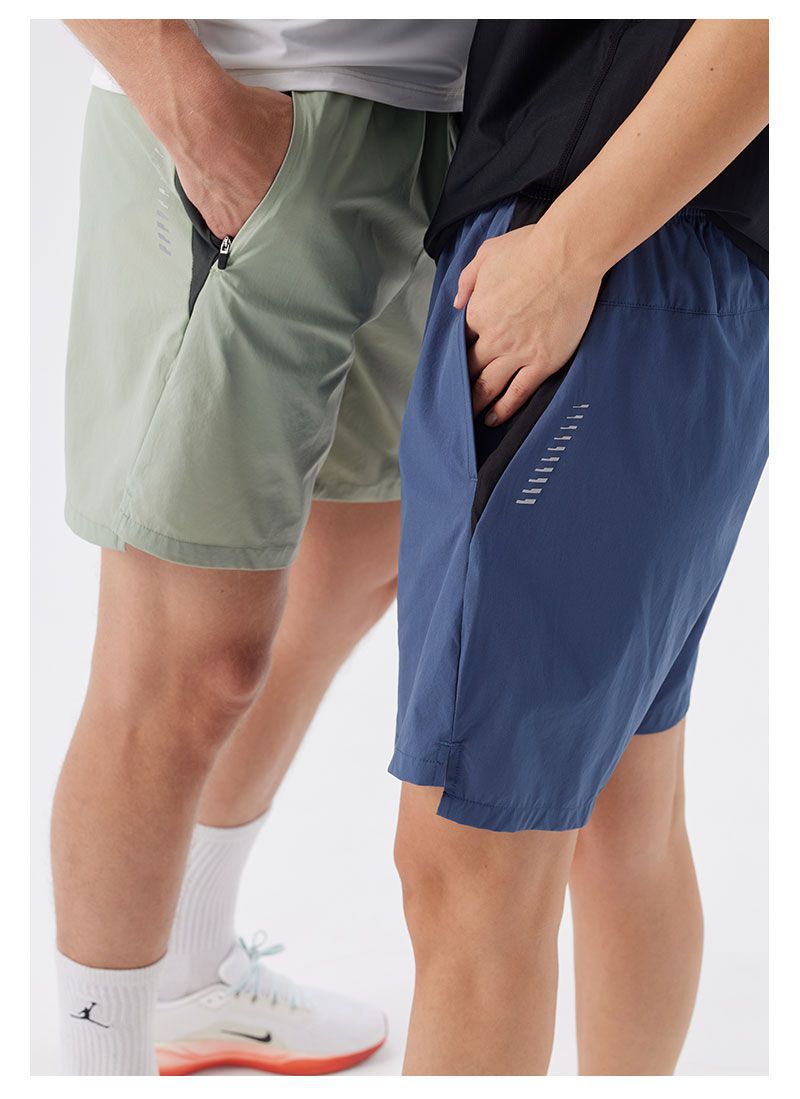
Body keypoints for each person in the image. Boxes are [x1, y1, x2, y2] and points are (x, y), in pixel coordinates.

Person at [53, 18, 475, 1076]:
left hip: (436, 118)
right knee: (179, 666)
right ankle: (99, 1060)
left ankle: (187, 975)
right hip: (252, 101)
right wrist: (189, 105)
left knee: (365, 553)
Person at [389, 19, 768, 1074]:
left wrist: (569, 247)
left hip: (591, 252)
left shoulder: (576, 247)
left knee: (471, 863)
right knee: (622, 815)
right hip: (673, 263)